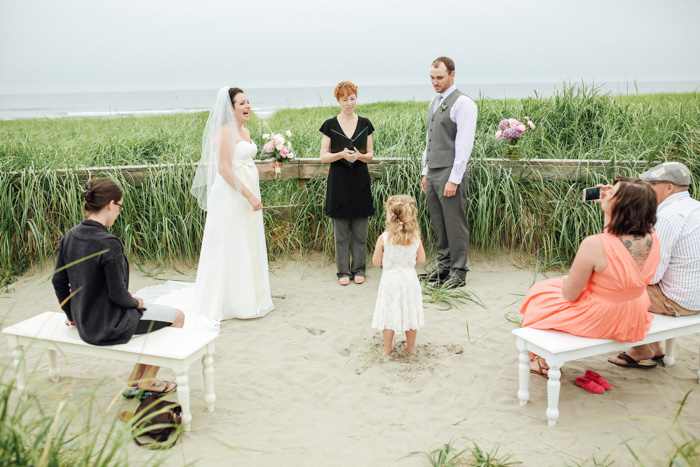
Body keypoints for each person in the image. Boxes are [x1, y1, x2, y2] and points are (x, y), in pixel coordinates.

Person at [52, 178, 185, 393]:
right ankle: (146, 380)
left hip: (85, 321)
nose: (118, 212)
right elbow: (117, 294)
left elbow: (58, 282)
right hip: (109, 325)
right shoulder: (108, 243)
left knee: (154, 316)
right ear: (111, 204)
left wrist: (72, 315)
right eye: (120, 206)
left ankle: (136, 379)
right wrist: (135, 302)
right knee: (178, 318)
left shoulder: (70, 236)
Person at [520, 178, 660, 376]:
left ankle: (543, 360)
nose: (607, 192)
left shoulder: (593, 244)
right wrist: (609, 206)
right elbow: (613, 242)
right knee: (554, 287)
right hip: (634, 312)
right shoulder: (652, 237)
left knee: (540, 293)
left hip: (602, 316)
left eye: (612, 193)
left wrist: (568, 281)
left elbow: (570, 295)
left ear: (622, 206)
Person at [190, 86, 279, 320]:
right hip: (230, 195)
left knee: (247, 240)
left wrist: (265, 167)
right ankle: (227, 301)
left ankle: (249, 296)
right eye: (242, 103)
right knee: (230, 242)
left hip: (247, 189)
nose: (247, 106)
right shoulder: (224, 132)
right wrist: (249, 195)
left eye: (248, 102)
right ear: (230, 108)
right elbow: (224, 169)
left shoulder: (246, 132)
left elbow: (245, 164)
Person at [609, 162, 700, 368]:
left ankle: (642, 346)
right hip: (695, 295)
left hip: (678, 301)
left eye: (650, 184)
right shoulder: (695, 207)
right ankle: (652, 347)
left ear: (669, 187)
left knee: (614, 286)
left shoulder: (667, 217)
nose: (645, 188)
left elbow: (652, 276)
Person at [420, 56, 478, 289]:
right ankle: (443, 268)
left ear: (452, 75)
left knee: (455, 223)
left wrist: (454, 179)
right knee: (439, 223)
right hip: (433, 172)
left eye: (440, 77)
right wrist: (425, 172)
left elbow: (464, 145)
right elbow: (429, 140)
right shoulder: (435, 102)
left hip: (450, 172)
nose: (435, 82)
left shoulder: (463, 103)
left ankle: (458, 271)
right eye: (432, 78)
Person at [320, 81, 375, 286]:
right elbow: (323, 156)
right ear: (338, 100)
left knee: (361, 230)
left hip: (360, 179)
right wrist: (341, 154)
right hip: (339, 181)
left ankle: (359, 269)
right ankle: (343, 271)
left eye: (352, 99)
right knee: (341, 231)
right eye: (345, 100)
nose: (350, 103)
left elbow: (370, 155)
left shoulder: (365, 123)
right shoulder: (330, 125)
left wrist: (359, 156)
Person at [372, 195, 426, 356]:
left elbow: (376, 262)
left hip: (390, 280)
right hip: (409, 279)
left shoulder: (384, 238)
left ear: (390, 215)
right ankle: (411, 347)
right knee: (410, 312)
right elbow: (422, 260)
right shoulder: (415, 237)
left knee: (389, 312)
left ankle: (387, 348)